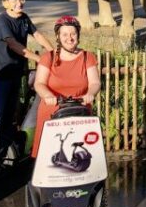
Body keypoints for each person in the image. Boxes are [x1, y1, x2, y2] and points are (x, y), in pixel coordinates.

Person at [0, 0, 53, 165]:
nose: (19, 3)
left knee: (10, 114)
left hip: (16, 74)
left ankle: (5, 149)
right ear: (5, 2)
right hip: (1, 75)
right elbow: (14, 45)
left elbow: (38, 35)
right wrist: (40, 59)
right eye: (15, 0)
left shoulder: (23, 18)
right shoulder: (2, 21)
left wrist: (53, 53)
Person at [32, 16, 101, 157]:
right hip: (53, 110)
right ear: (58, 37)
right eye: (64, 34)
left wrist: (90, 94)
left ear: (78, 36)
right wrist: (48, 95)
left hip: (79, 110)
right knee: (47, 155)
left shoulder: (88, 57)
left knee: (81, 149)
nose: (69, 38)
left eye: (73, 34)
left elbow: (95, 82)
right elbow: (39, 83)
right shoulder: (48, 58)